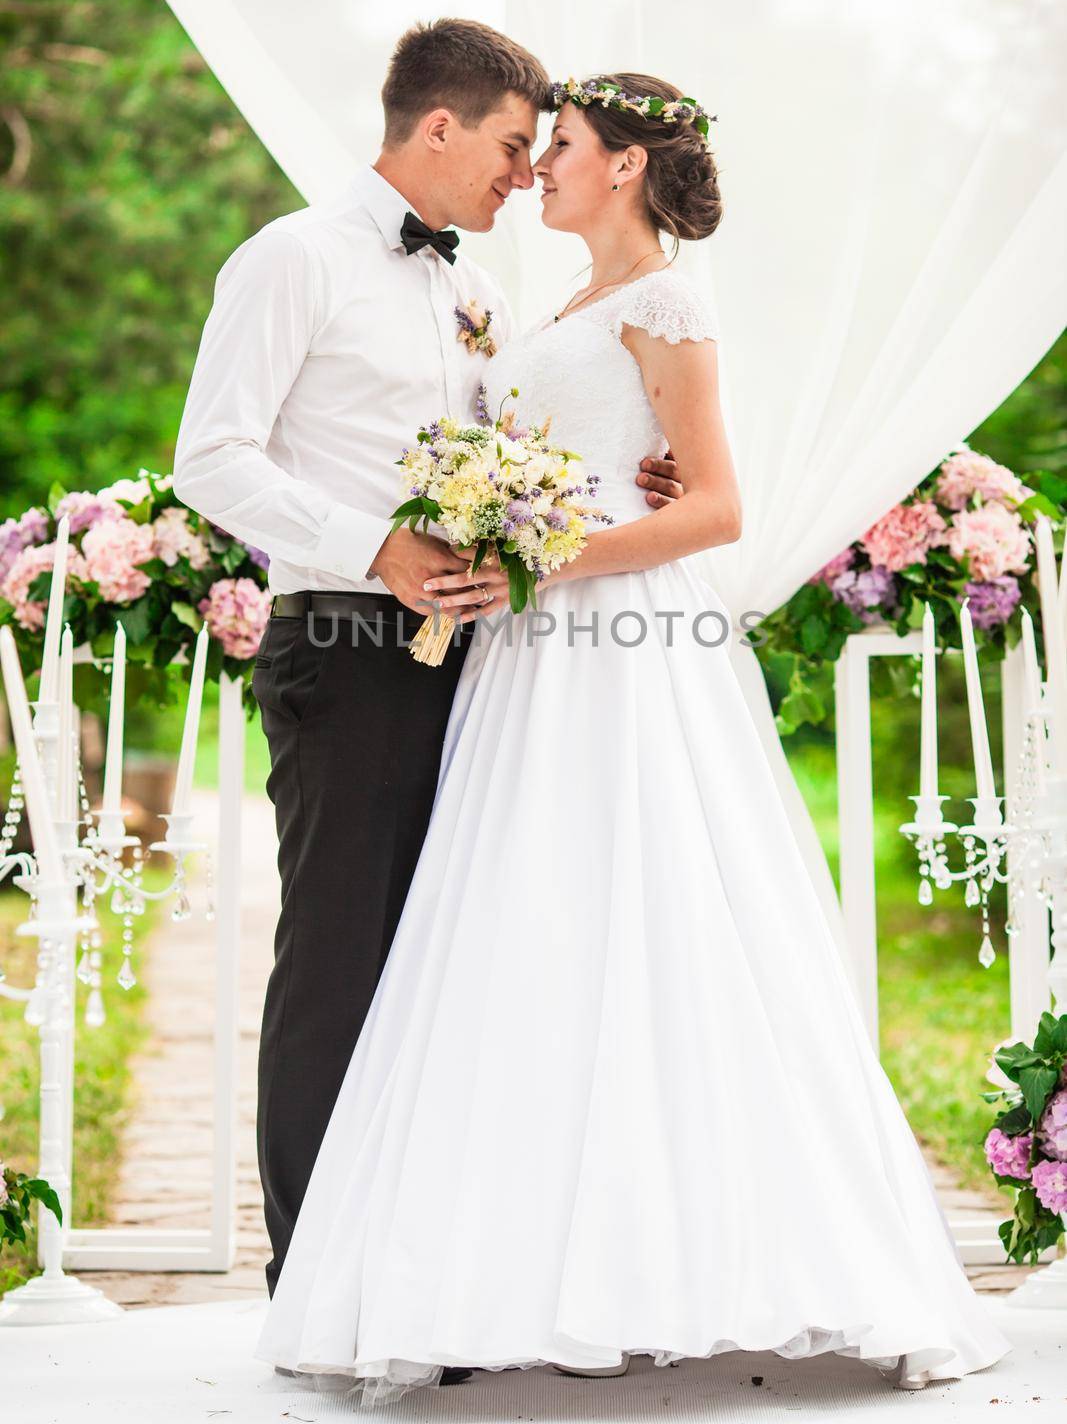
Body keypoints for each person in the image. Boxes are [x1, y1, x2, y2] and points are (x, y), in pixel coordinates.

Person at [250, 72, 1012, 1404]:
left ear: (626, 165)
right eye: (531, 146)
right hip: (528, 650)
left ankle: (714, 1260)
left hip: (607, 642)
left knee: (652, 911)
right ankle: (517, 1267)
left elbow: (715, 506)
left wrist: (547, 558)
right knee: (525, 925)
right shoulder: (566, 304)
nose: (538, 166)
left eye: (563, 149)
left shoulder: (668, 299)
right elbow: (603, 457)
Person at [171, 21, 684, 1348]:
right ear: (441, 128)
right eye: (517, 147)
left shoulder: (476, 291)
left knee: (448, 973)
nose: (526, 175)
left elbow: (523, 446)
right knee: (340, 964)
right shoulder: (291, 258)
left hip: (482, 663)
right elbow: (210, 461)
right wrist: (372, 549)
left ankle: (417, 1280)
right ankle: (312, 1294)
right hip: (342, 650)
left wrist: (639, 483)